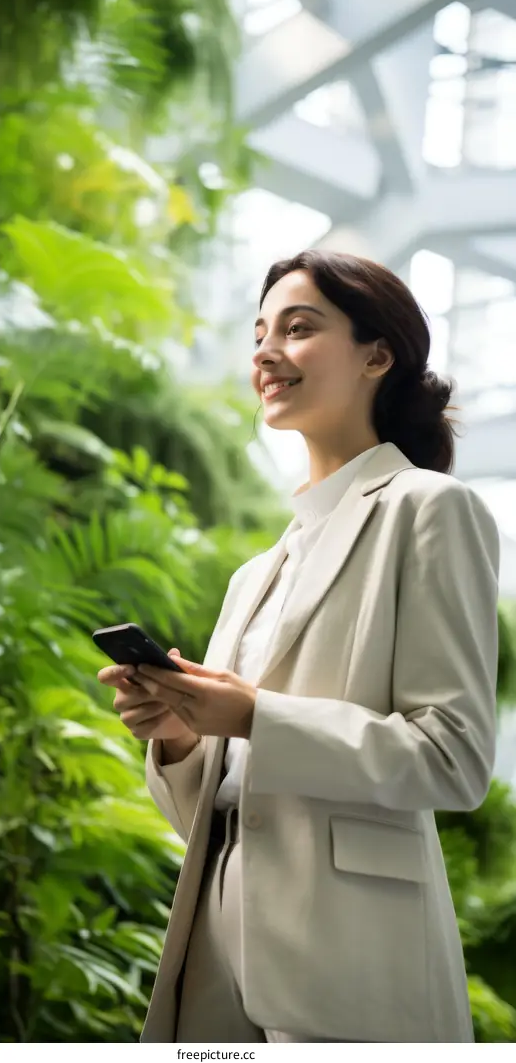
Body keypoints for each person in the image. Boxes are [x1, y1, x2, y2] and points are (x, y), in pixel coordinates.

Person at [98, 251, 500, 1044]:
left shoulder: (429, 510)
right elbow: (214, 808)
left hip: (351, 961)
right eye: (259, 333)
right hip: (216, 952)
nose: (266, 352)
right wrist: (181, 734)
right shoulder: (255, 575)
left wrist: (252, 715)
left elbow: (454, 757)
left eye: (299, 328)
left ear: (376, 355)